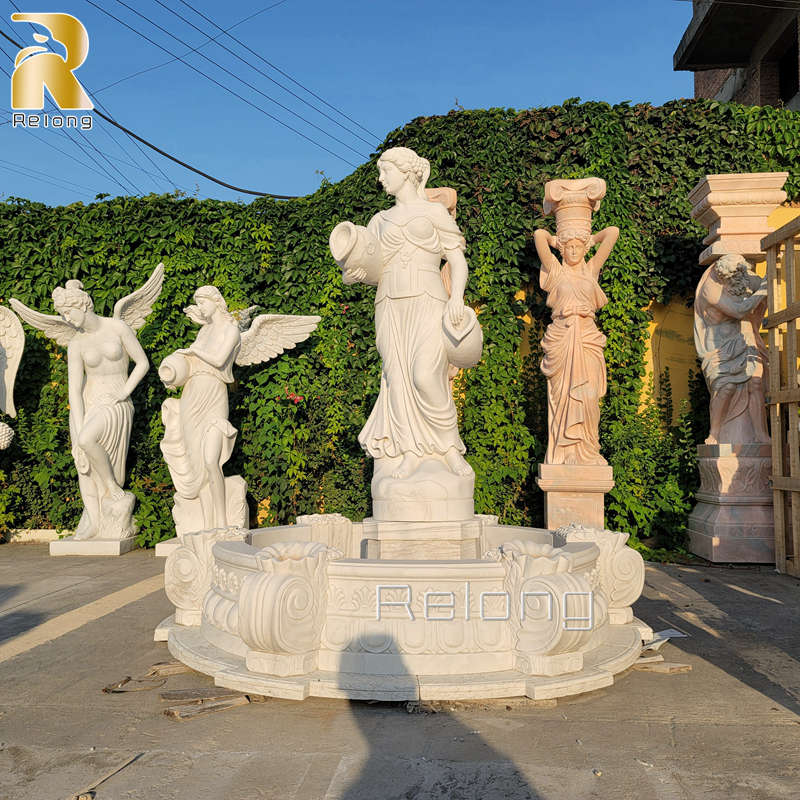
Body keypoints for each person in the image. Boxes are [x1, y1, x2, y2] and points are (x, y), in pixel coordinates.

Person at [345, 147, 473, 480]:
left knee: (425, 376)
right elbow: (366, 268)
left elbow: (457, 261)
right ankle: (411, 451)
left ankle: (448, 447)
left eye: (385, 171)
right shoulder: (378, 221)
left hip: (429, 300)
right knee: (396, 378)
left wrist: (456, 298)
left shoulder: (433, 213)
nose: (380, 179)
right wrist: (354, 271)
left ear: (405, 172)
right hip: (389, 303)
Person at [534, 223, 619, 465]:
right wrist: (557, 240)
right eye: (568, 247)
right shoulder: (555, 272)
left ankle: (588, 451)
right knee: (565, 398)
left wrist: (588, 239)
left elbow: (612, 233)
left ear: (584, 250)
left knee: (589, 395)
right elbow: (539, 236)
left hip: (587, 338)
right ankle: (567, 452)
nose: (572, 251)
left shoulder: (591, 270)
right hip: (562, 336)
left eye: (577, 247)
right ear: (562, 249)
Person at [160, 286, 241, 530]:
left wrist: (192, 350)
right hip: (192, 396)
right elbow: (191, 365)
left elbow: (218, 360)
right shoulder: (204, 331)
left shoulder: (231, 329)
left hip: (214, 394)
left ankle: (222, 521)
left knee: (210, 460)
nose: (201, 308)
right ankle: (208, 526)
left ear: (216, 301)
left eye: (203, 302)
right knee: (198, 466)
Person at [694, 253, 769, 445]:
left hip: (747, 339)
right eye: (727, 277)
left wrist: (768, 281)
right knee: (725, 388)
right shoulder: (710, 289)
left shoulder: (746, 280)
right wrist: (763, 289)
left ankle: (761, 434)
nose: (733, 280)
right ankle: (715, 433)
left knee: (756, 383)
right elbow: (738, 311)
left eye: (736, 276)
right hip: (721, 348)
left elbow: (763, 301)